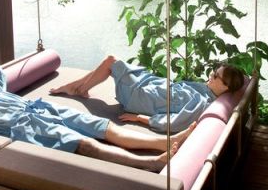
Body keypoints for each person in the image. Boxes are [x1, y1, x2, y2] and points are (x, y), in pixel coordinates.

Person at [0, 63, 195, 172]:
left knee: (101, 126)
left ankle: (161, 142)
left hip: (43, 109)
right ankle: (150, 164)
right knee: (84, 144)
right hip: (29, 129)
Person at [50, 55, 245, 133]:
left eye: (215, 76)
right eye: (213, 72)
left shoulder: (201, 103)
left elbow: (174, 123)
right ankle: (77, 87)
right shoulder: (207, 90)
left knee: (111, 62)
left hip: (139, 97)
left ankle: (78, 88)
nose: (210, 75)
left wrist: (139, 118)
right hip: (148, 86)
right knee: (113, 64)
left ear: (225, 87)